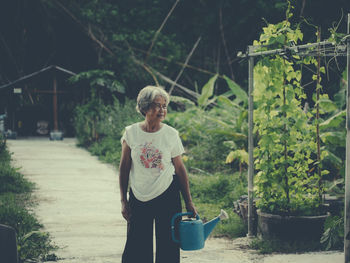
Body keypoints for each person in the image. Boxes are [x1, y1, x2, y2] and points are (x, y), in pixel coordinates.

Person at [119, 85, 197, 263]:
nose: (162, 110)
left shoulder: (170, 134)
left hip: (167, 194)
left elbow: (180, 169)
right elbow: (124, 168)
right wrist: (124, 200)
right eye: (157, 105)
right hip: (138, 196)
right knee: (136, 247)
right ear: (145, 107)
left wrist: (189, 202)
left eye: (164, 106)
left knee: (168, 247)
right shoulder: (131, 133)